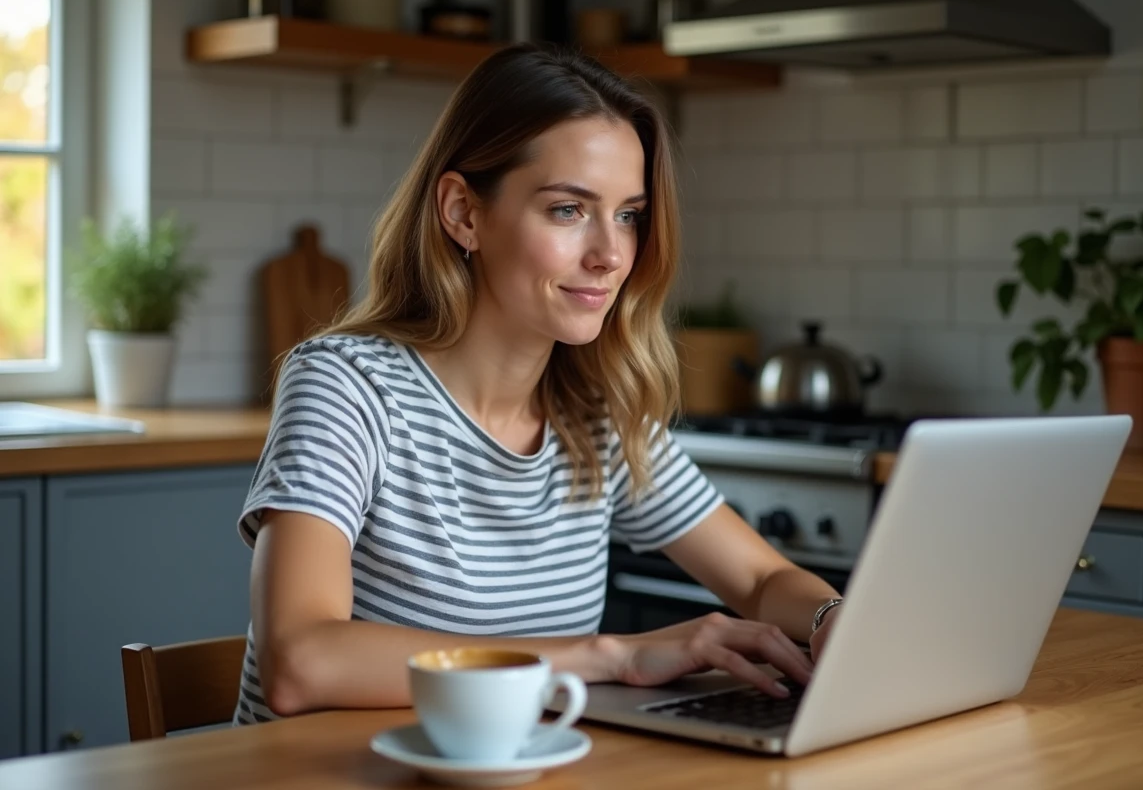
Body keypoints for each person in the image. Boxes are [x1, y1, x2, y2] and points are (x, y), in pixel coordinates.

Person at [232, 42, 842, 726]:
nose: (611, 255)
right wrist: (609, 656)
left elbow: (761, 581)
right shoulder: (346, 387)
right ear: (463, 213)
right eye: (567, 210)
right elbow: (302, 661)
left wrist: (829, 617)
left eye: (628, 215)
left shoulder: (598, 411)